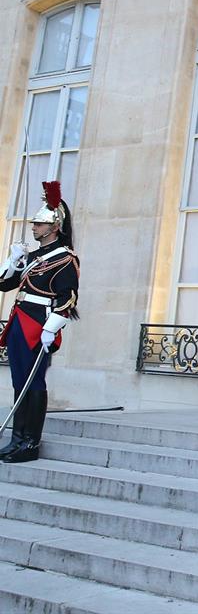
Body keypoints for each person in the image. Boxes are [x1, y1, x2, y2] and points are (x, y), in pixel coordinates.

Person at [0, 181, 79, 463]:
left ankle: (30, 443)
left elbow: (68, 298)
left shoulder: (65, 259)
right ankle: (17, 439)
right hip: (19, 322)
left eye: (39, 224)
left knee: (33, 384)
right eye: (34, 223)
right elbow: (4, 284)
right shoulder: (34, 256)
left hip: (39, 326)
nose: (34, 227)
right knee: (19, 383)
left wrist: (50, 329)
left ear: (54, 227)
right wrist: (13, 260)